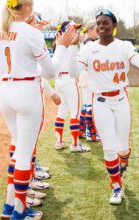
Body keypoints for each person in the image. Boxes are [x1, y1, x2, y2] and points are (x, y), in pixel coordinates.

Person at [0, 0, 76, 219]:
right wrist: (63, 46)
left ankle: (9, 207)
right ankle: (20, 211)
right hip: (26, 90)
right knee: (25, 155)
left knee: (18, 150)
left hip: (5, 91)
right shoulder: (30, 32)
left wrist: (4, 92)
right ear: (26, 7)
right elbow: (51, 72)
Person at [68, 9, 139, 205]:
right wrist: (72, 47)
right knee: (109, 147)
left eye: (105, 23)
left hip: (121, 100)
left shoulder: (124, 46)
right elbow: (73, 73)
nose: (101, 27)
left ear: (114, 26)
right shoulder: (88, 48)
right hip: (100, 102)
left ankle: (123, 162)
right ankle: (116, 187)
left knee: (122, 147)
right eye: (98, 23)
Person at [47, 20, 91, 153]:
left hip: (59, 80)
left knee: (61, 112)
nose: (76, 31)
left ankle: (59, 142)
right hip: (71, 80)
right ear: (67, 31)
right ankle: (75, 145)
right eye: (73, 29)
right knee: (75, 113)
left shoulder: (58, 43)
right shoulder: (71, 45)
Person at [78, 21, 99, 141]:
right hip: (88, 76)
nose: (98, 31)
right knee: (90, 106)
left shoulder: (85, 42)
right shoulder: (89, 44)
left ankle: (82, 130)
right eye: (96, 29)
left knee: (86, 105)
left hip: (84, 76)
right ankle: (90, 133)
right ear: (90, 30)